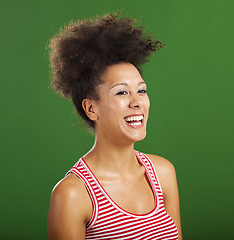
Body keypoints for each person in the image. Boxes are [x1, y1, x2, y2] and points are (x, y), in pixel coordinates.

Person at [47, 13, 182, 240]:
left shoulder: (163, 173)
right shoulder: (73, 194)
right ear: (91, 109)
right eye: (121, 92)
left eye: (141, 90)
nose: (137, 102)